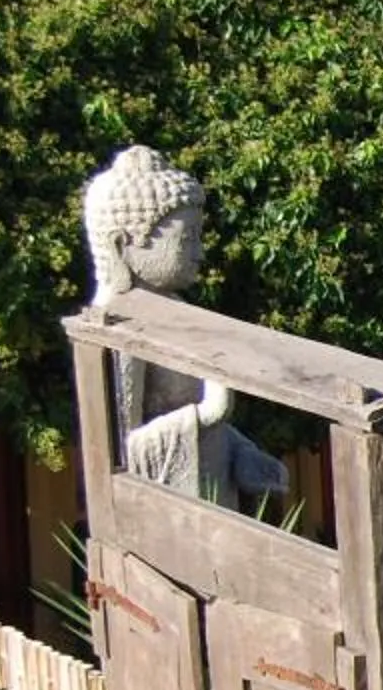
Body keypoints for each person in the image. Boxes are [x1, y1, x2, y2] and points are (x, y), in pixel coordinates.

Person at [81, 146, 292, 516]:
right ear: (122, 245)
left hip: (209, 483)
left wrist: (242, 450)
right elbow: (124, 451)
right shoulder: (115, 327)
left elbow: (202, 411)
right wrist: (209, 413)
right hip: (171, 513)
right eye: (186, 238)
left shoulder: (177, 311)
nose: (199, 252)